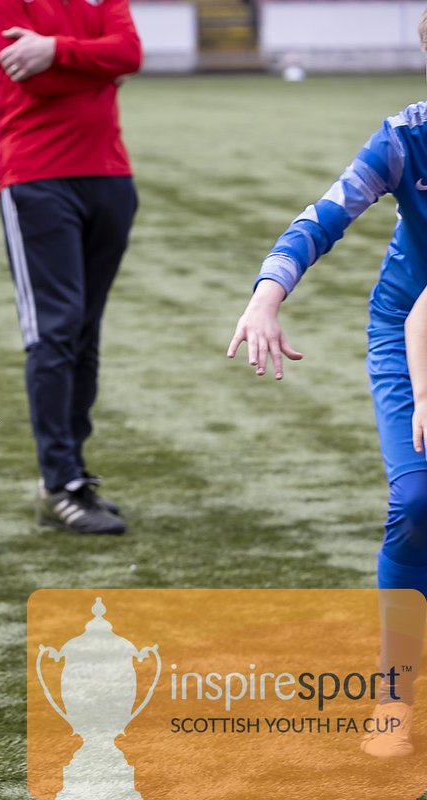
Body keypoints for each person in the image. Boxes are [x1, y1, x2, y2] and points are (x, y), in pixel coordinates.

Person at [227, 8, 427, 758]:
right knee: (418, 501)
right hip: (412, 334)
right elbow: (326, 214)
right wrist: (266, 295)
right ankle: (394, 691)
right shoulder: (406, 136)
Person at [0, 0, 142, 535]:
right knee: (55, 329)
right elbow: (35, 81)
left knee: (84, 332)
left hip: (109, 174)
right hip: (36, 176)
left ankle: (74, 476)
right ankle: (58, 481)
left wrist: (56, 51)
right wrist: (96, 66)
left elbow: (130, 53)